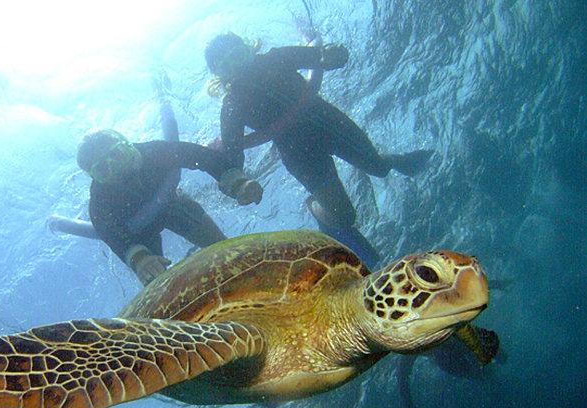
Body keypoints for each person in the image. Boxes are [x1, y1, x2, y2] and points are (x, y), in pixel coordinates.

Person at [205, 33, 434, 267]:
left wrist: (335, 55)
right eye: (228, 65)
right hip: (300, 154)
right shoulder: (232, 105)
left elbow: (318, 57)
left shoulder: (276, 58)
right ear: (221, 76)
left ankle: (391, 161)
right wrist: (240, 184)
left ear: (249, 48)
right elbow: (232, 155)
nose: (240, 66)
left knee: (379, 168)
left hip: (329, 123)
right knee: (345, 217)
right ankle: (316, 207)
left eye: (239, 55)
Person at [77, 76, 263, 285]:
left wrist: (238, 184)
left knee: (225, 250)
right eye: (104, 169)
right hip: (138, 233)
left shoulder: (154, 153)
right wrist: (139, 259)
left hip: (173, 205)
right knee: (157, 283)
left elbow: (202, 157)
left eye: (117, 155)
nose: (117, 169)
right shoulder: (100, 198)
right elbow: (109, 232)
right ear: (96, 178)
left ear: (128, 145)